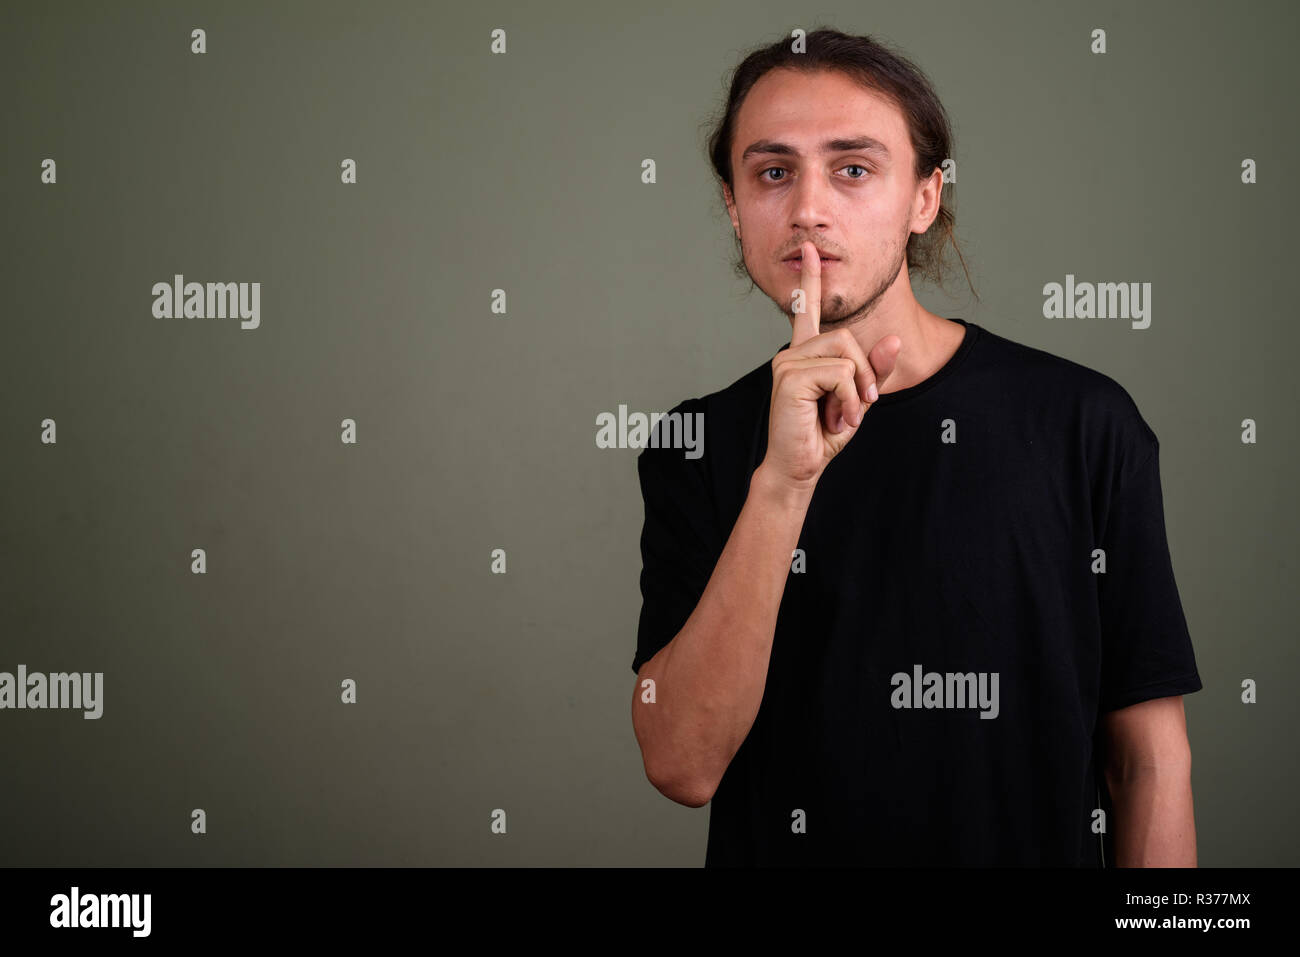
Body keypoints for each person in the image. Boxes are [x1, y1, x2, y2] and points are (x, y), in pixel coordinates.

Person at [629, 29, 1202, 867]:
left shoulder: (1083, 422)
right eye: (773, 171)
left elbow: (1146, 760)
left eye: (853, 169)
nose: (808, 209)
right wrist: (783, 484)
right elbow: (681, 763)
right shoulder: (698, 444)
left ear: (924, 198)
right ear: (733, 204)